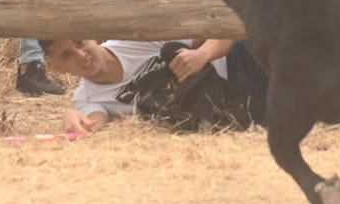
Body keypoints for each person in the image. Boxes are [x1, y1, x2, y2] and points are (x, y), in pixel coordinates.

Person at [39, 37, 237, 133]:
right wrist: (73, 117)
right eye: (66, 56)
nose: (81, 55)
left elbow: (224, 32)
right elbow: (94, 125)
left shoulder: (136, 38)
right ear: (57, 68)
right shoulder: (86, 98)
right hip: (229, 110)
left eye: (80, 42)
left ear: (93, 36)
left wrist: (201, 55)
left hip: (237, 66)